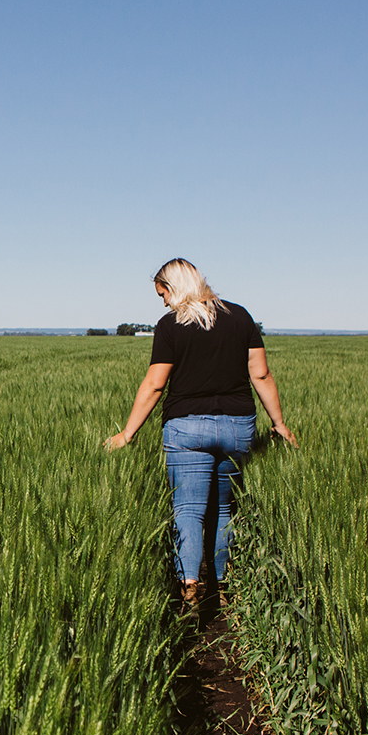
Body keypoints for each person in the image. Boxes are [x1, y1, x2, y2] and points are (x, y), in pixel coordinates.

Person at [103, 258, 297, 609]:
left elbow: (154, 384)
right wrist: (279, 424)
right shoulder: (240, 317)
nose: (163, 302)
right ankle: (220, 588)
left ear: (176, 287)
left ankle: (190, 588)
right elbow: (262, 375)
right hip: (238, 427)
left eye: (163, 293)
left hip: (186, 428)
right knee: (224, 508)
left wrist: (128, 434)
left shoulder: (170, 325)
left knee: (188, 511)